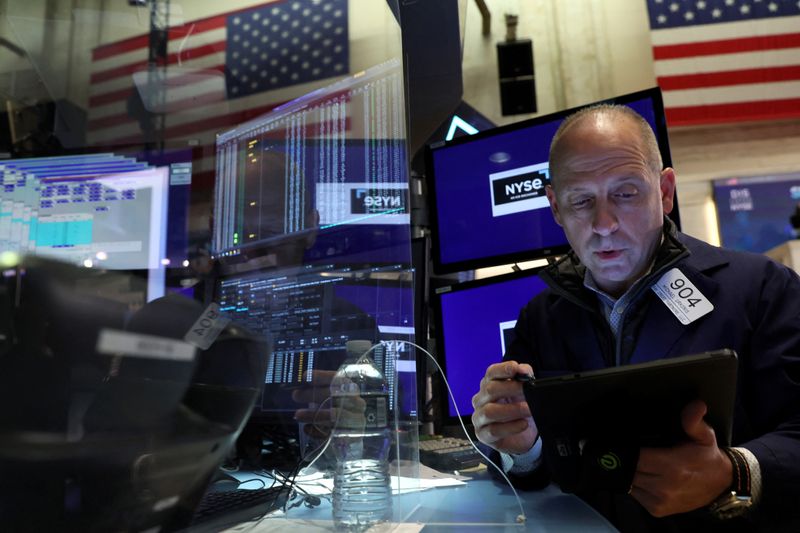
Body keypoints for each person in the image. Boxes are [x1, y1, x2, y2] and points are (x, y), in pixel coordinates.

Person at [471, 104, 800, 532]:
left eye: (625, 194)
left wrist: (733, 473)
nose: (604, 224)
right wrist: (521, 448)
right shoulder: (539, 320)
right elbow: (533, 475)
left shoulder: (764, 289)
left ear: (664, 191)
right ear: (555, 208)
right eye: (581, 201)